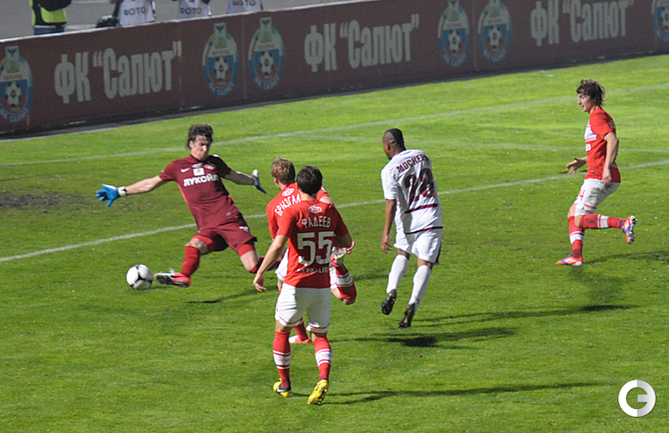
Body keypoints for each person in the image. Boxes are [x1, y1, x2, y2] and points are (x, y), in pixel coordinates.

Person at [96, 123, 268, 288]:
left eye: (208, 145)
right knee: (194, 246)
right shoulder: (177, 167)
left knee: (252, 266)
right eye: (201, 145)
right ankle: (183, 276)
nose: (205, 149)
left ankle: (281, 261)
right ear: (191, 143)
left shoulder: (215, 163)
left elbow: (236, 177)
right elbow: (150, 184)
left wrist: (253, 181)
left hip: (230, 221)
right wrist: (121, 191)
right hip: (208, 227)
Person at [253, 165, 353, 405]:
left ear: (298, 186)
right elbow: (347, 241)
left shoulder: (292, 211)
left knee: (281, 331)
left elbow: (278, 245)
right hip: (322, 284)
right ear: (319, 187)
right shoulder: (330, 211)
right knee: (320, 336)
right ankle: (323, 378)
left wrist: (260, 272)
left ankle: (285, 384)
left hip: (296, 284)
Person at [266, 158, 356, 345]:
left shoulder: (275, 205)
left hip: (299, 253)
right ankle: (340, 273)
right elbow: (328, 204)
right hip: (326, 243)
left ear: (275, 180)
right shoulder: (313, 186)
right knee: (344, 298)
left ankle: (301, 336)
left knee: (282, 282)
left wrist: (261, 271)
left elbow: (278, 242)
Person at [555, 79, 636, 266]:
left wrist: (606, 168)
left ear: (592, 98)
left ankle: (623, 223)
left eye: (582, 97)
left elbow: (613, 141)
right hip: (599, 172)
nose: (579, 102)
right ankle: (576, 255)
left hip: (598, 175)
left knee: (580, 219)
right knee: (573, 212)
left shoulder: (597, 117)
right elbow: (601, 145)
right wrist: (585, 160)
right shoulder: (601, 115)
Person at [379, 128, 443, 328]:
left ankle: (391, 290)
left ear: (388, 146)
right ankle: (413, 303)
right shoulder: (422, 155)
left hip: (407, 219)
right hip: (430, 215)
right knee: (425, 264)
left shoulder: (389, 170)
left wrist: (386, 234)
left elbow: (391, 203)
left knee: (403, 253)